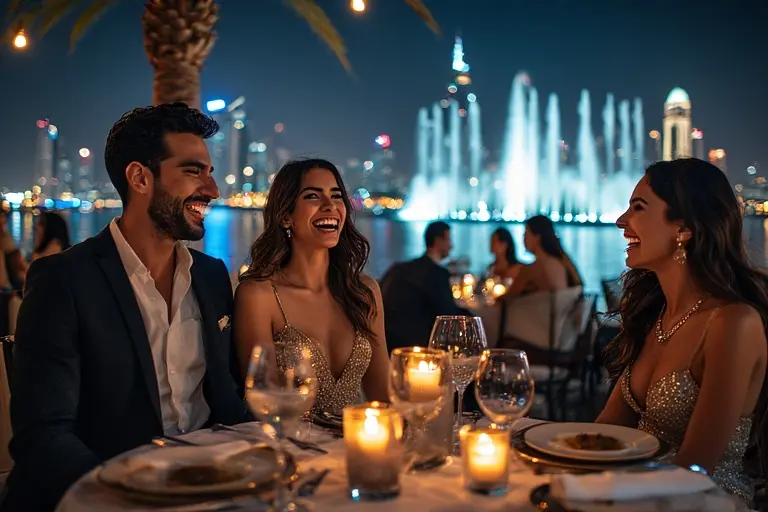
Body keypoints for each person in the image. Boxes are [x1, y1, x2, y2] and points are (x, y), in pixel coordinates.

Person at [1, 103, 250, 512]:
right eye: (193, 171)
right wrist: (128, 497)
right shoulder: (62, 280)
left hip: (209, 486)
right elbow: (43, 436)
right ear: (139, 177)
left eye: (209, 171)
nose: (213, 189)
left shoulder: (210, 276)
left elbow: (227, 399)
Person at [596, 158, 768, 507]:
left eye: (638, 208)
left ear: (684, 228)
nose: (621, 221)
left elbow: (695, 468)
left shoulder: (733, 324)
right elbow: (604, 432)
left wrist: (596, 491)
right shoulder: (654, 317)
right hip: (637, 495)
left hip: (705, 502)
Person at [234, 158, 389, 415]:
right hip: (286, 446)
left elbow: (382, 395)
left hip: (352, 446)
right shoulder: (259, 295)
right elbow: (263, 401)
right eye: (313, 197)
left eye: (336, 196)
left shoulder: (365, 292)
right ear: (286, 216)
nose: (330, 206)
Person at [380, 221, 468, 353]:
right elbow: (449, 316)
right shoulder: (436, 274)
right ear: (438, 242)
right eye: (449, 240)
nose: (452, 246)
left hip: (387, 343)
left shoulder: (399, 269)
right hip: (417, 346)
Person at [503, 215, 582, 297]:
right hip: (562, 308)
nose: (523, 238)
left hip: (545, 309)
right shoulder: (563, 261)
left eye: (526, 233)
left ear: (537, 238)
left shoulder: (533, 268)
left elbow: (509, 297)